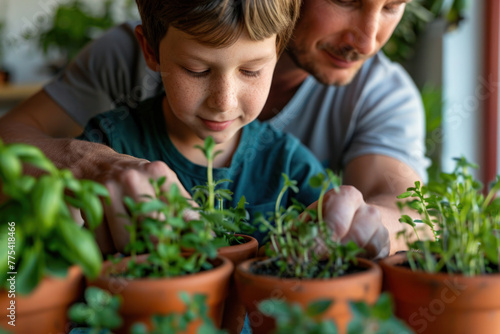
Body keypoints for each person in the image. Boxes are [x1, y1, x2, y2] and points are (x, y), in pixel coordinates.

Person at [0, 0, 426, 258]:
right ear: (151, 50)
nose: (369, 40)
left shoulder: (379, 94)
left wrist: (367, 224)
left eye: (392, 6)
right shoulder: (119, 94)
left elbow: (412, 210)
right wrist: (80, 170)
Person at [78, 0, 329, 254]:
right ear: (151, 50)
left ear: (278, 52)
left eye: (251, 71)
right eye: (196, 70)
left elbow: (338, 233)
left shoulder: (289, 163)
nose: (223, 103)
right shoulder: (108, 143)